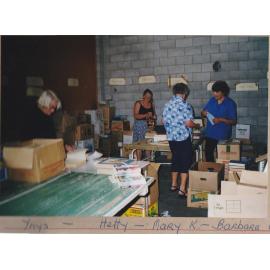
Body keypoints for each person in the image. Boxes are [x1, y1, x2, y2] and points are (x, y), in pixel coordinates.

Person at [162, 83, 200, 197]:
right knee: (185, 162)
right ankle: (182, 189)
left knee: (175, 159)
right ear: (185, 93)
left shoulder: (167, 104)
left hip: (171, 138)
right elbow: (188, 123)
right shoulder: (186, 105)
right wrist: (196, 125)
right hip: (183, 138)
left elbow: (163, 121)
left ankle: (173, 185)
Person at [201, 80, 237, 162]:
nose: (214, 94)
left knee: (221, 157)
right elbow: (203, 112)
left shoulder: (230, 103)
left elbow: (233, 121)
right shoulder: (212, 100)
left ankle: (221, 173)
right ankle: (211, 172)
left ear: (223, 92)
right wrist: (203, 113)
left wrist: (221, 119)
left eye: (217, 92)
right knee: (208, 154)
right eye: (213, 91)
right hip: (210, 134)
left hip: (222, 135)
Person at [133, 89, 156, 160]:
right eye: (147, 97)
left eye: (150, 97)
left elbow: (154, 116)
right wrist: (145, 115)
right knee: (139, 144)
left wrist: (153, 116)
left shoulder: (151, 104)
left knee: (148, 144)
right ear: (143, 96)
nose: (148, 99)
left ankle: (148, 161)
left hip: (149, 126)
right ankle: (139, 162)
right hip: (139, 125)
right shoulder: (138, 103)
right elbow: (136, 116)